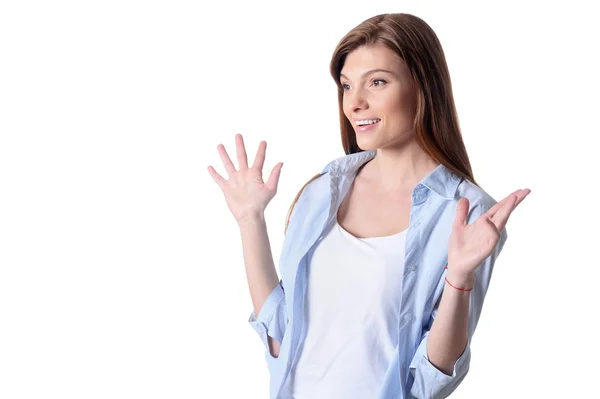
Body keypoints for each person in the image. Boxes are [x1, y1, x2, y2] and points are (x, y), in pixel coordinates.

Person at [208, 12, 530, 399]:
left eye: (377, 82)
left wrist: (458, 279)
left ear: (423, 86)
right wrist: (250, 220)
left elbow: (431, 381)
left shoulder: (468, 214)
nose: (355, 103)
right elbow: (280, 336)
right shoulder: (323, 191)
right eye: (346, 86)